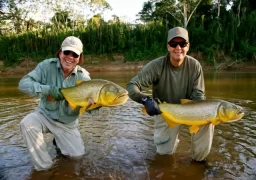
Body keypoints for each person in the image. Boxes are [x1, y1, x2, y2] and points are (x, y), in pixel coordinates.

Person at [126, 27, 214, 162]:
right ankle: (170, 146)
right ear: (168, 46)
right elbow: (132, 86)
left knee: (208, 122)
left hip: (190, 111)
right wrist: (145, 100)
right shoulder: (156, 66)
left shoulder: (195, 66)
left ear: (188, 46)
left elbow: (199, 97)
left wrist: (206, 114)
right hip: (164, 112)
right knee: (164, 157)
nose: (178, 48)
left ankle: (199, 163)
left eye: (182, 44)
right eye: (173, 44)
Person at [18, 36, 93, 171]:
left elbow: (92, 110)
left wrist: (93, 105)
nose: (70, 57)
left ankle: (58, 142)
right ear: (59, 53)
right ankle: (44, 167)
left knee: (76, 158)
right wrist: (48, 90)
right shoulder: (46, 66)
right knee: (27, 123)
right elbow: (23, 84)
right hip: (44, 116)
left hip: (67, 124)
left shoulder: (84, 77)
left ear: (79, 58)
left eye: (75, 54)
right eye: (66, 52)